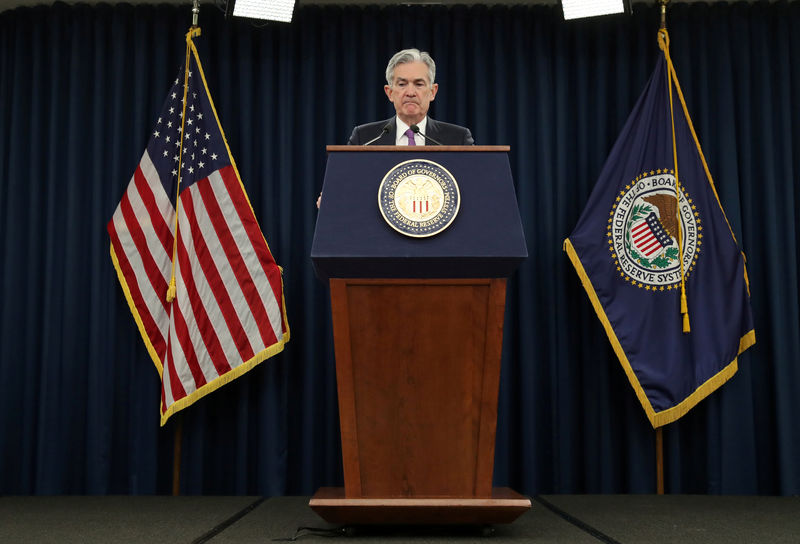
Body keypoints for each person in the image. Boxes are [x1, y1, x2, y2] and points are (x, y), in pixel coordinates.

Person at [347, 48, 474, 146]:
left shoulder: (458, 139)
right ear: (389, 92)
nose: (410, 92)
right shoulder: (364, 138)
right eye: (402, 84)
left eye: (419, 84)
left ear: (432, 92)